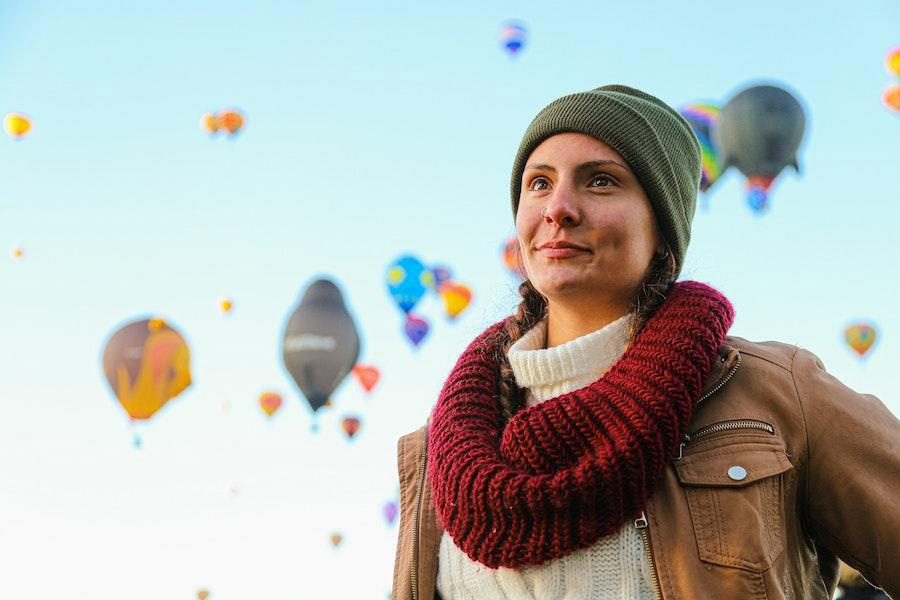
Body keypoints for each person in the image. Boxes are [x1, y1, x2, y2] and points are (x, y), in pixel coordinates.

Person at [391, 85, 900, 600]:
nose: (559, 208)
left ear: (662, 227)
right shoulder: (440, 450)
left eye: (602, 181)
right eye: (539, 183)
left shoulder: (775, 393)